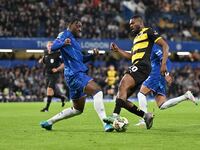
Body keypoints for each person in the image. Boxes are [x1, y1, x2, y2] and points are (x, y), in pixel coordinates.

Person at [40, 18, 113, 132]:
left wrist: (92, 55)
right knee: (97, 91)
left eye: (81, 26)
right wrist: (63, 42)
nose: (80, 28)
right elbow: (53, 47)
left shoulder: (75, 42)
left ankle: (49, 122)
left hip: (73, 75)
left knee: (77, 109)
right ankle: (106, 124)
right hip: (75, 74)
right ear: (71, 25)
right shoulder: (64, 34)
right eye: (78, 25)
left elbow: (81, 59)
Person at [103, 15, 169, 130]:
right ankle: (146, 116)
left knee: (123, 83)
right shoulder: (136, 39)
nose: (131, 26)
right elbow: (131, 56)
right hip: (137, 65)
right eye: (130, 24)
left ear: (140, 22)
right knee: (121, 100)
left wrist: (163, 64)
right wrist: (118, 50)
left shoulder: (148, 31)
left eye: (133, 23)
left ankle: (114, 117)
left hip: (143, 65)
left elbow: (165, 45)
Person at [135, 45, 197, 126]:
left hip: (156, 74)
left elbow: (164, 58)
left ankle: (144, 119)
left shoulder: (153, 47)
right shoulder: (144, 49)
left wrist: (167, 74)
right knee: (162, 105)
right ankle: (185, 96)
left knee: (141, 94)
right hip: (159, 76)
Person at [39, 41, 67, 112]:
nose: (50, 47)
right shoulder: (45, 53)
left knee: (49, 89)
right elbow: (44, 60)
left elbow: (64, 64)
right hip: (47, 74)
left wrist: (57, 69)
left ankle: (47, 108)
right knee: (50, 92)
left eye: (51, 46)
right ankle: (62, 97)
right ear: (46, 47)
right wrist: (41, 60)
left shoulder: (57, 54)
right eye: (48, 45)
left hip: (54, 75)